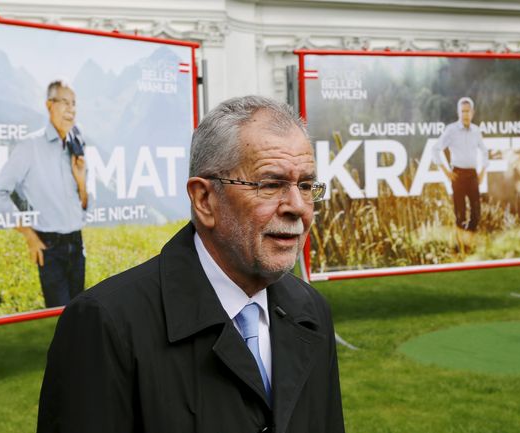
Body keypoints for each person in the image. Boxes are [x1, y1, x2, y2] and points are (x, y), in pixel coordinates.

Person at [37, 96, 345, 433]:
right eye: (270, 185)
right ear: (204, 200)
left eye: (305, 185)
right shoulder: (106, 324)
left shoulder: (311, 311)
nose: (298, 207)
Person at [0, 80, 88, 308]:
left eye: (74, 103)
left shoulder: (77, 146)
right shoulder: (30, 146)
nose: (71, 109)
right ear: (49, 105)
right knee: (58, 319)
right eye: (64, 102)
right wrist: (29, 236)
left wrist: (81, 181)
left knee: (79, 318)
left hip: (77, 244)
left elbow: (84, 204)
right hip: (50, 247)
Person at [432, 96, 489, 254]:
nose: (465, 114)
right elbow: (435, 149)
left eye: (468, 111)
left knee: (476, 214)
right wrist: (446, 171)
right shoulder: (451, 130)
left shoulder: (476, 131)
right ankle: (460, 250)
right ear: (458, 112)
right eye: (462, 111)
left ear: (473, 113)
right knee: (460, 215)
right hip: (457, 175)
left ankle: (467, 242)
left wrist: (483, 172)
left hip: (472, 175)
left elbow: (485, 152)